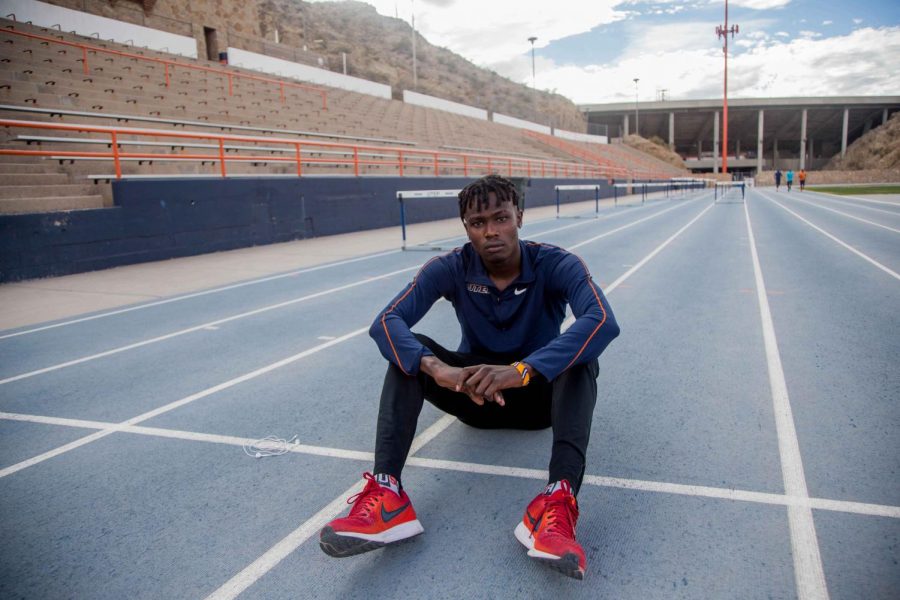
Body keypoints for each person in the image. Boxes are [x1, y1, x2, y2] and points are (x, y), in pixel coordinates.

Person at [319, 174, 620, 580]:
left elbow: (602, 320)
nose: (491, 231)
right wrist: (438, 368)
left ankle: (557, 504)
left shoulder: (556, 263)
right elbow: (386, 322)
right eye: (479, 223)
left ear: (520, 216)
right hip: (472, 397)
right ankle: (388, 493)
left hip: (538, 400)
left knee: (581, 358)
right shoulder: (451, 267)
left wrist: (521, 370)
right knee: (410, 350)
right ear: (466, 228)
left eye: (501, 218)